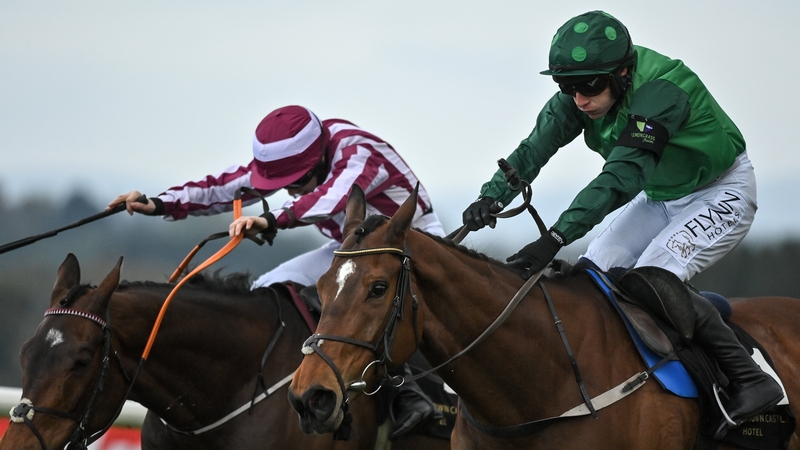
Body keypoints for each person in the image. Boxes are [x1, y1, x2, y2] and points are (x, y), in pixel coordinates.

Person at [461, 10, 782, 439]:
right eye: (567, 87)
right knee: (594, 276)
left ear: (624, 71)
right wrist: (491, 195)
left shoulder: (662, 91)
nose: (579, 99)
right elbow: (533, 150)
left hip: (722, 191)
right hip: (662, 195)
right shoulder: (584, 93)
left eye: (590, 86)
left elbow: (622, 175)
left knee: (652, 277)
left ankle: (750, 379)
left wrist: (556, 237)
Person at [109, 104, 444, 440]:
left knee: (386, 306)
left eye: (295, 182)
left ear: (317, 160)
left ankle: (409, 394)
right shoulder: (302, 154)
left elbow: (330, 199)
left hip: (412, 244)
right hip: (351, 253)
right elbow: (228, 186)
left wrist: (270, 220)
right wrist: (161, 203)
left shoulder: (358, 152)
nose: (289, 190)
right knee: (268, 286)